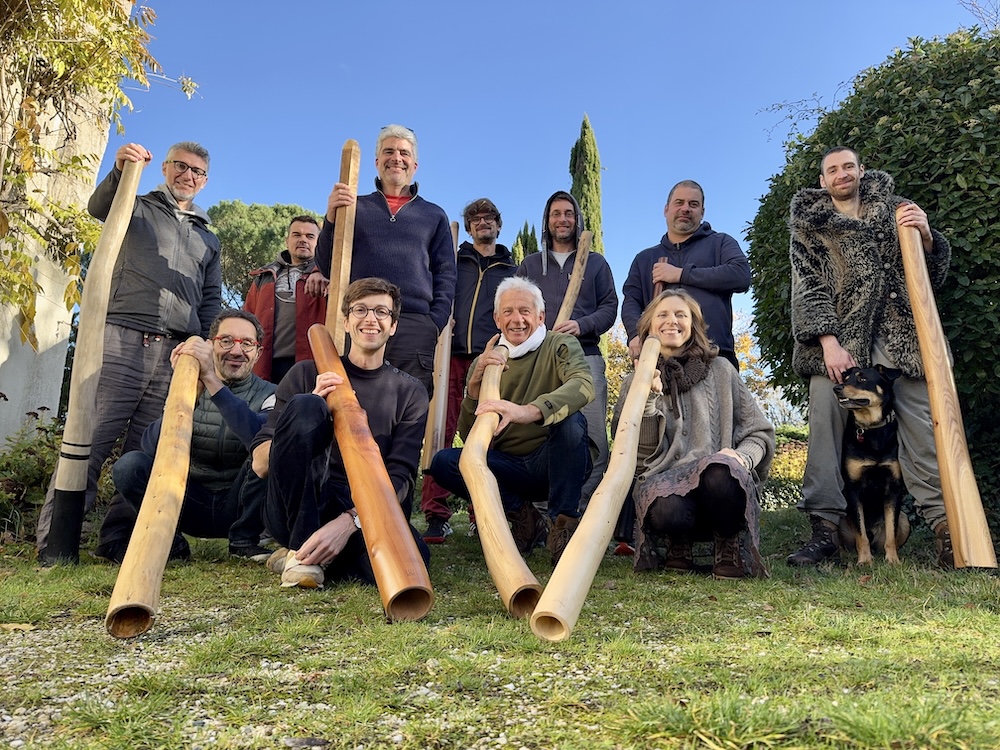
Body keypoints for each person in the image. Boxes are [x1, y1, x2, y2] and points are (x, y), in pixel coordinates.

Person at [37, 141, 222, 560]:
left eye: (197, 172)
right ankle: (55, 545)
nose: (187, 176)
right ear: (167, 168)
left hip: (174, 352)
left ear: (205, 181)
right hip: (121, 336)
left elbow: (209, 298)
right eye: (180, 166)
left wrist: (203, 341)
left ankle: (118, 541)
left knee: (145, 452)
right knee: (91, 439)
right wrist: (121, 170)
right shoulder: (136, 205)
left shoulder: (207, 238)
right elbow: (98, 208)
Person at [786, 146, 953, 568]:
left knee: (923, 428)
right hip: (840, 340)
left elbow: (928, 279)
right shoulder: (810, 227)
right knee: (825, 417)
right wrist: (828, 343)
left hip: (904, 340)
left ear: (861, 171)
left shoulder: (898, 210)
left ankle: (946, 530)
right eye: (832, 170)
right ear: (822, 181)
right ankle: (824, 528)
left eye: (848, 166)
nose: (841, 174)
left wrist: (929, 238)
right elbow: (808, 288)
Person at [251, 278, 430, 589]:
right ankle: (304, 542)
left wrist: (349, 523)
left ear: (393, 326)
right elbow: (261, 464)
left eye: (381, 312)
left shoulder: (410, 391)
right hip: (296, 504)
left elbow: (401, 475)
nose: (370, 319)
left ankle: (301, 558)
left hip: (366, 508)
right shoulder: (307, 373)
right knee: (307, 406)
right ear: (346, 322)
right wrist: (308, 418)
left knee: (413, 561)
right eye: (360, 310)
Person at [428, 277, 595, 565]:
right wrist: (474, 388)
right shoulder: (487, 361)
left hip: (553, 463)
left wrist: (527, 411)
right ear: (496, 318)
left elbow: (583, 385)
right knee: (444, 463)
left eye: (525, 311)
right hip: (507, 467)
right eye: (508, 312)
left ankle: (562, 526)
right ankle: (524, 518)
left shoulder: (561, 344)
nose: (516, 319)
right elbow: (471, 438)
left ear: (540, 316)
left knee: (572, 422)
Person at [93, 309, 276, 563]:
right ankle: (173, 544)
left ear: (258, 353)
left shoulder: (273, 394)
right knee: (129, 466)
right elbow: (151, 447)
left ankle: (244, 542)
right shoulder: (188, 385)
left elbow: (258, 437)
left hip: (241, 504)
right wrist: (188, 389)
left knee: (270, 451)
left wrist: (212, 381)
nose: (236, 351)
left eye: (246, 343)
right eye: (226, 341)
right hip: (188, 502)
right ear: (211, 346)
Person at [615, 290, 774, 579]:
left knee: (720, 472)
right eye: (662, 315)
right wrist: (648, 399)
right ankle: (679, 544)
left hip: (719, 486)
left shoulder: (722, 370)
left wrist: (741, 458)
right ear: (649, 326)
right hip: (669, 490)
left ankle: (727, 544)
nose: (671, 321)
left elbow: (759, 433)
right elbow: (637, 459)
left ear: (693, 325)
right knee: (665, 506)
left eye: (681, 315)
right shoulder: (632, 383)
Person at [316, 124, 456, 396]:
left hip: (414, 324)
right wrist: (331, 217)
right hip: (361, 319)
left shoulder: (434, 215)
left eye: (404, 153)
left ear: (414, 165)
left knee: (409, 406)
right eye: (389, 151)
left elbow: (446, 274)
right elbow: (326, 265)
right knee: (352, 400)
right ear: (377, 162)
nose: (397, 158)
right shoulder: (352, 206)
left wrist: (434, 322)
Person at [420, 198, 517, 544]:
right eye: (475, 218)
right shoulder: (453, 260)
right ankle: (436, 513)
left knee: (485, 437)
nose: (482, 223)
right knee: (440, 431)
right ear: (470, 225)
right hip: (451, 355)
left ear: (498, 224)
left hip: (489, 358)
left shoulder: (510, 268)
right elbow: (435, 292)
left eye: (489, 217)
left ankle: (482, 512)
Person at [516, 190, 617, 511]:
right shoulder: (530, 265)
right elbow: (515, 309)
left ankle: (584, 513)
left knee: (593, 439)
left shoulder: (596, 264)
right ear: (547, 221)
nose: (563, 219)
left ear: (577, 219)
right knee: (542, 435)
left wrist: (582, 324)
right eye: (556, 214)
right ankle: (547, 513)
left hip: (585, 359)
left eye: (568, 214)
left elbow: (610, 307)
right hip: (539, 364)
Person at [621, 180, 750, 368]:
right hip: (661, 360)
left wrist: (681, 275)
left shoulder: (721, 243)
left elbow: (741, 274)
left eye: (693, 204)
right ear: (666, 209)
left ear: (702, 212)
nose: (686, 208)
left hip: (715, 356)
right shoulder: (645, 258)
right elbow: (631, 301)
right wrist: (634, 333)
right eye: (679, 203)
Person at [244, 216, 328, 384]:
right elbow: (246, 318)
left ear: (319, 243)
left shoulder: (328, 275)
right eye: (297, 235)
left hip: (311, 364)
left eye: (310, 236)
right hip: (266, 364)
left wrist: (322, 270)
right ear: (287, 240)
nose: (303, 240)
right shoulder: (264, 277)